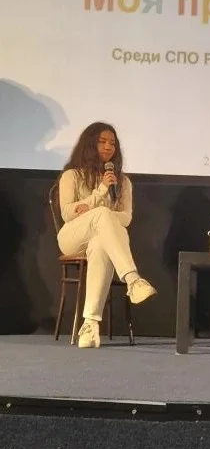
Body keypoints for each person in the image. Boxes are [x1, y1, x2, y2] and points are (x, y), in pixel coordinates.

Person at [57, 122, 156, 348]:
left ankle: (90, 325)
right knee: (103, 214)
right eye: (102, 141)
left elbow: (126, 218)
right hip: (72, 237)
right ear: (89, 144)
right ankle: (133, 280)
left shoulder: (123, 181)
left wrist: (102, 216)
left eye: (112, 143)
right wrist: (101, 192)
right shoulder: (72, 176)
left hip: (102, 237)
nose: (108, 147)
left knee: (102, 243)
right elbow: (68, 213)